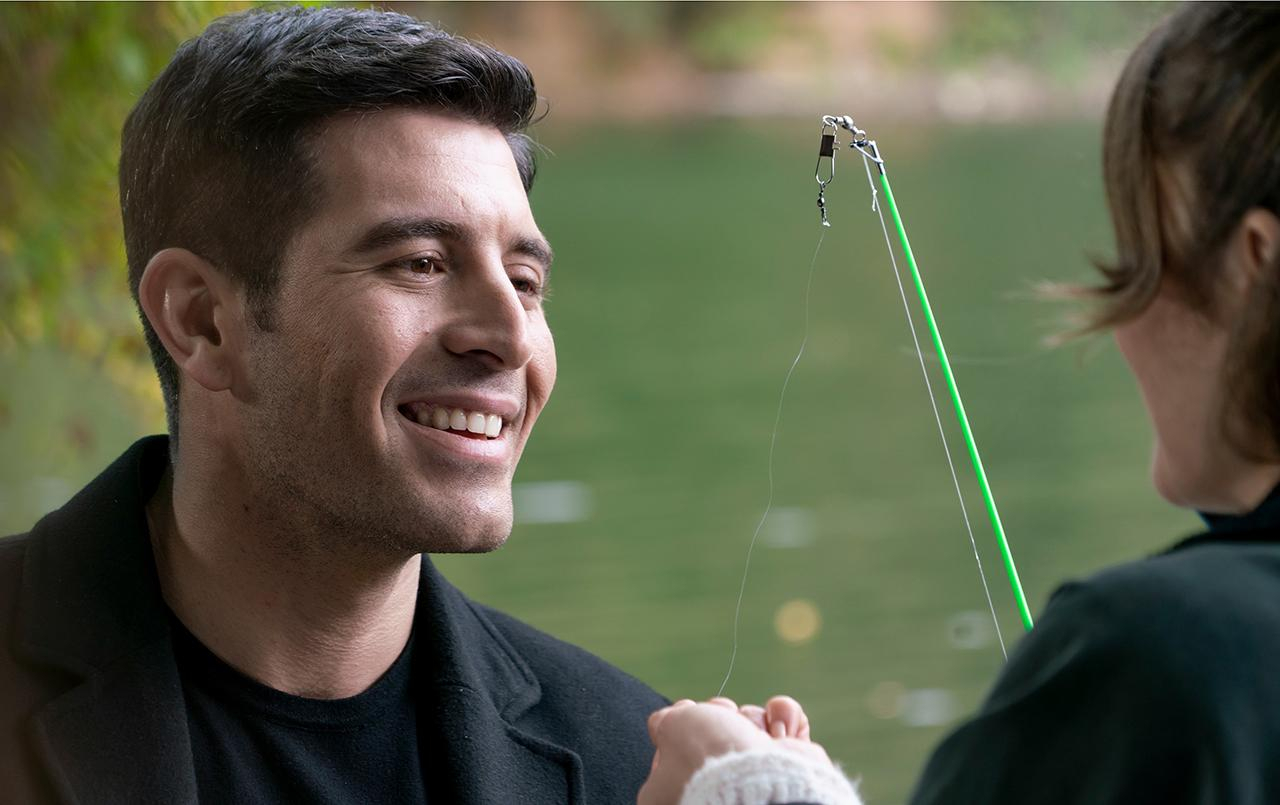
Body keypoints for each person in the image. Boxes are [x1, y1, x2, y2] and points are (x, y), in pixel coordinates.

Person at [0, 7, 666, 803]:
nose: (511, 337)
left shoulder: (633, 762)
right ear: (203, 320)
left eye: (524, 282)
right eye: (421, 263)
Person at [641, 3, 1280, 804]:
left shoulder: (1162, 657)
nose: (1121, 324)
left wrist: (748, 786)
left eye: (1139, 260)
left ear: (1252, 266)